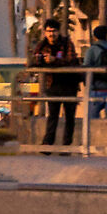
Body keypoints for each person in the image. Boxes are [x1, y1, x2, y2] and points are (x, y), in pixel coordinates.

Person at [28, 14, 82, 147]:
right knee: (52, 116)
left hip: (69, 85)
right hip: (53, 85)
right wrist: (37, 61)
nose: (51, 34)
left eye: (54, 31)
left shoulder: (66, 43)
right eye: (49, 31)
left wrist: (55, 60)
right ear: (45, 32)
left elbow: (71, 60)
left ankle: (66, 145)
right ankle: (47, 144)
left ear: (58, 31)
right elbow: (34, 59)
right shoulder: (42, 45)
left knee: (70, 117)